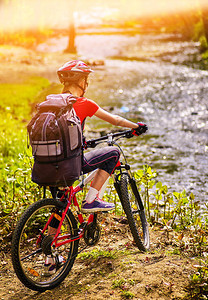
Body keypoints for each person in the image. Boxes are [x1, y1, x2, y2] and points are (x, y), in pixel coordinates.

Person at [44, 60, 147, 274]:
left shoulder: (51, 104)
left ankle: (49, 257)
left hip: (47, 164)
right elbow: (115, 120)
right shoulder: (84, 103)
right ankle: (91, 200)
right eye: (86, 79)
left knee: (59, 207)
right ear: (81, 80)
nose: (87, 83)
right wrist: (136, 127)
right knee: (113, 153)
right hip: (71, 163)